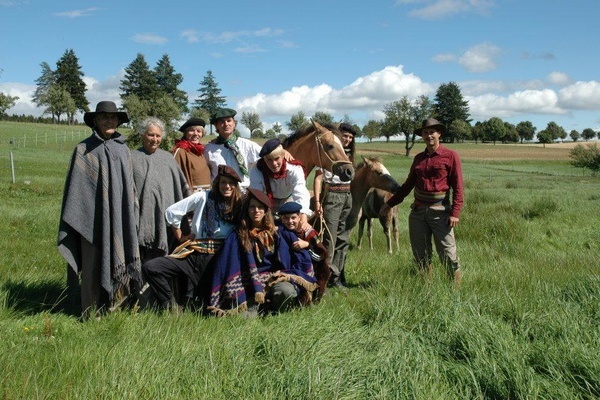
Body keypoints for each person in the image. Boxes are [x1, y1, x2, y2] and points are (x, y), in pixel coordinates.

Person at [58, 101, 140, 318]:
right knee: (93, 265)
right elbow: (77, 191)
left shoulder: (123, 150)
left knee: (120, 258)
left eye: (113, 118)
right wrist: (85, 216)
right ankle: (91, 311)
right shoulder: (83, 150)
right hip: (90, 221)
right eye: (104, 117)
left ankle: (117, 306)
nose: (109, 121)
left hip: (120, 219)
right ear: (95, 121)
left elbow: (129, 188)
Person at [142, 165, 243, 311]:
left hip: (218, 259)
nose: (226, 186)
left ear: (235, 186)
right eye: (223, 182)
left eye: (231, 183)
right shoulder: (203, 197)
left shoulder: (238, 204)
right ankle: (170, 306)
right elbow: (172, 211)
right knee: (151, 268)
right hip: (194, 253)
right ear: (217, 183)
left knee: (205, 306)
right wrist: (181, 236)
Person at [380, 118, 464, 286]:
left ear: (439, 134)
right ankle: (426, 287)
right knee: (420, 254)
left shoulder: (450, 156)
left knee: (448, 253)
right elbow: (408, 185)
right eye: (425, 133)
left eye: (432, 132)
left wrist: (455, 213)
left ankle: (456, 290)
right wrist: (389, 204)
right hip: (418, 212)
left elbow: (458, 187)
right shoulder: (418, 158)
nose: (428, 136)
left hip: (440, 212)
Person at [208, 189, 317, 316]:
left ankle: (275, 311)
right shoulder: (238, 235)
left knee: (285, 291)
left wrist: (308, 244)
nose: (256, 211)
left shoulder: (278, 232)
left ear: (266, 211)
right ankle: (258, 308)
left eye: (260, 207)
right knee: (244, 317)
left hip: (275, 278)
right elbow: (226, 264)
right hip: (248, 282)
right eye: (252, 207)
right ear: (247, 210)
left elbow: (301, 254)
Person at [131, 117, 190, 264]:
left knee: (164, 262)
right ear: (142, 135)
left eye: (158, 136)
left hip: (166, 222)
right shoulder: (131, 158)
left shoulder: (168, 158)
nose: (155, 139)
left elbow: (180, 187)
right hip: (140, 220)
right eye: (151, 135)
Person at [313, 122, 356, 289]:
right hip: (332, 193)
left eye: (350, 137)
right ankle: (323, 277)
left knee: (343, 238)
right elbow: (318, 178)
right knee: (329, 239)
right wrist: (317, 201)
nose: (347, 139)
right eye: (344, 136)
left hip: (347, 194)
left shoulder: (348, 155)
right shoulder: (328, 151)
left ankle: (335, 277)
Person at [249, 138, 312, 222]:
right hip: (268, 199)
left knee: (292, 222)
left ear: (283, 156)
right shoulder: (257, 170)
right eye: (269, 160)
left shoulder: (294, 169)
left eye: (276, 158)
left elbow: (300, 192)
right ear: (264, 159)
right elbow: (258, 196)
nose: (274, 164)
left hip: (289, 198)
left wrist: (303, 214)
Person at [204, 108, 262, 189]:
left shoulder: (247, 145)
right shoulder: (209, 149)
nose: (226, 124)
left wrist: (284, 151)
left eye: (229, 120)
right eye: (222, 122)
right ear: (216, 126)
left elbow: (267, 155)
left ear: (234, 123)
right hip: (220, 193)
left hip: (243, 192)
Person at [172, 117, 211, 192]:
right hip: (192, 198)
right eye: (192, 130)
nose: (196, 133)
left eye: (199, 131)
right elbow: (175, 177)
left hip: (205, 196)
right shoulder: (181, 151)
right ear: (186, 133)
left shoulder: (200, 151)